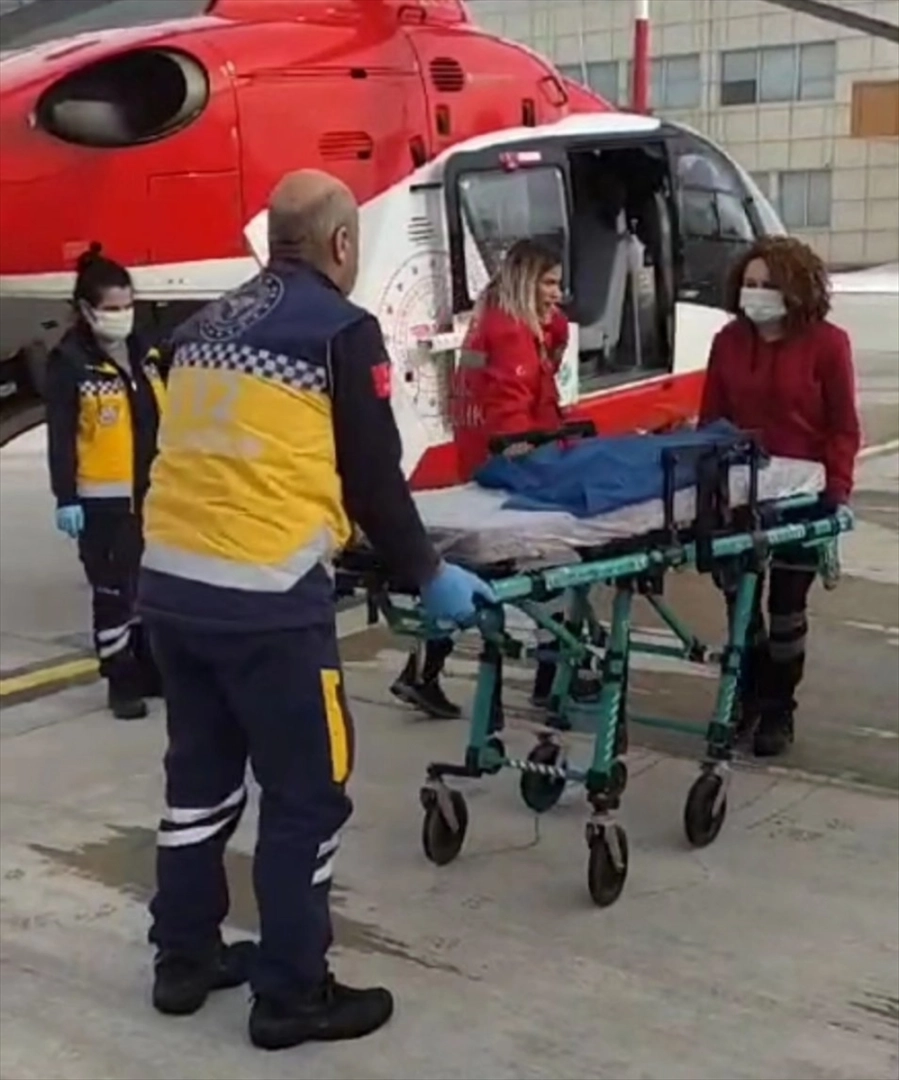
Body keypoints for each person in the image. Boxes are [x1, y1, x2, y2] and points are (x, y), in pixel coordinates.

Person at [137, 169, 494, 1050]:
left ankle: (183, 961)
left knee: (199, 786)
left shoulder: (197, 329)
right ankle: (292, 994)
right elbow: (371, 475)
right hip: (268, 608)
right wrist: (427, 573)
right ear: (340, 243)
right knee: (306, 798)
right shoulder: (338, 330)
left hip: (173, 592)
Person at [391, 239, 569, 719]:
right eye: (549, 283)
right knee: (556, 566)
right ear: (527, 282)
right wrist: (539, 467)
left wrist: (551, 324)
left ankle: (424, 670)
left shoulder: (492, 318)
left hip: (478, 460)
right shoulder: (512, 334)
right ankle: (551, 677)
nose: (558, 294)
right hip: (513, 469)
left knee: (471, 572)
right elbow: (512, 416)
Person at [699, 235, 860, 758]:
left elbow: (843, 426)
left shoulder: (828, 344)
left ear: (794, 289)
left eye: (767, 285)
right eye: (749, 284)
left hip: (803, 494)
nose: (756, 294)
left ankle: (778, 707)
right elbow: (711, 420)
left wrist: (836, 488)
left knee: (787, 608)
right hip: (740, 490)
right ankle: (746, 695)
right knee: (741, 604)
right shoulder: (728, 342)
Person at [44, 244, 165, 721]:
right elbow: (61, 436)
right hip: (103, 500)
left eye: (128, 305)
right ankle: (120, 679)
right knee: (113, 593)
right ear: (87, 310)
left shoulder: (145, 353)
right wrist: (66, 496)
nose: (122, 316)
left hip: (152, 494)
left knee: (150, 589)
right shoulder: (70, 362)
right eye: (112, 308)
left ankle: (150, 668)